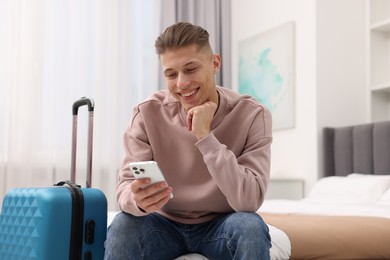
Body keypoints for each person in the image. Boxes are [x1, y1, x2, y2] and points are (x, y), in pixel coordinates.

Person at [104, 22, 273, 260]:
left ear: (215, 63)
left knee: (250, 226)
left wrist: (205, 136)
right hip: (162, 226)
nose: (181, 83)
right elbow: (124, 190)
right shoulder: (147, 113)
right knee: (123, 224)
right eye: (171, 74)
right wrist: (137, 200)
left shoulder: (253, 115)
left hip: (221, 225)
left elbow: (249, 200)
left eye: (191, 69)